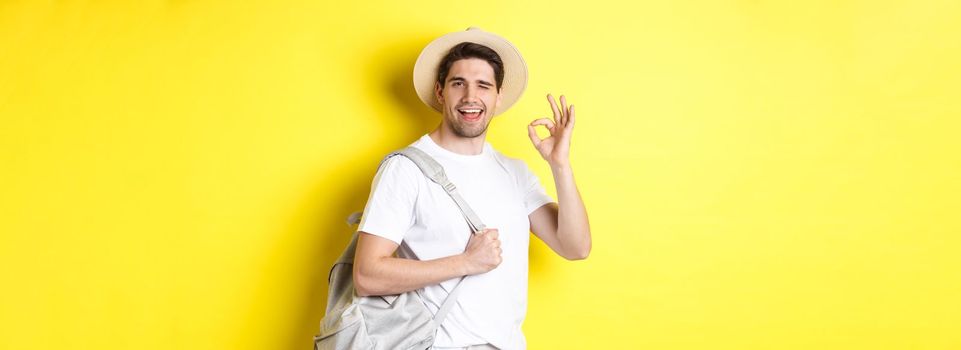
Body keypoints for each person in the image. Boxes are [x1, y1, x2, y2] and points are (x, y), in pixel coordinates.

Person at [353, 27, 592, 350]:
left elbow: (575, 247)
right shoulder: (406, 169)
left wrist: (560, 165)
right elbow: (367, 276)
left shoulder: (514, 172)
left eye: (483, 85)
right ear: (440, 92)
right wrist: (466, 262)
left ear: (498, 96)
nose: (470, 97)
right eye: (458, 84)